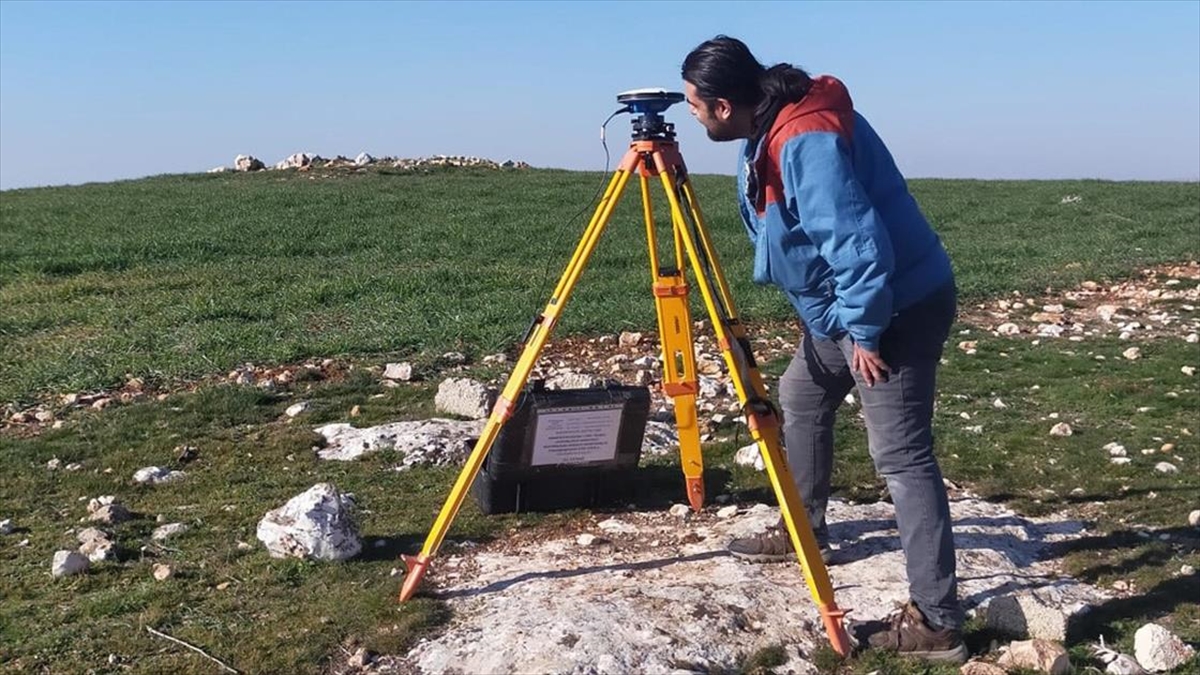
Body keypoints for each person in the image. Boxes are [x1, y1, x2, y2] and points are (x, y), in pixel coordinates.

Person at [681, 36, 966, 664]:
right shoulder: (770, 124)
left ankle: (938, 622)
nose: (692, 117)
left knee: (902, 457)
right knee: (801, 394)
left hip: (892, 307)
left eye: (695, 107)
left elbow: (858, 243)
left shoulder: (803, 138)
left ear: (725, 106)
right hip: (851, 308)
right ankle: (802, 528)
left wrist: (864, 332)